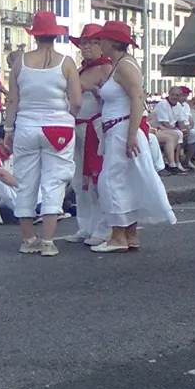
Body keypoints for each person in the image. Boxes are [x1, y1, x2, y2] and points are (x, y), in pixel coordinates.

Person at [92, 21, 176, 253]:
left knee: (112, 180)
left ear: (111, 42)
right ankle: (129, 234)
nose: (99, 43)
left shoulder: (124, 67)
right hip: (119, 129)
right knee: (127, 180)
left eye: (102, 39)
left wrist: (131, 135)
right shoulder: (121, 65)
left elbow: (137, 98)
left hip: (122, 130)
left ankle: (118, 236)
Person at [4, 11, 82, 255]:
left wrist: (8, 128)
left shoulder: (20, 63)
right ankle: (48, 241)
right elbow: (77, 101)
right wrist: (68, 116)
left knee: (26, 182)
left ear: (34, 35)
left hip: (26, 126)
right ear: (55, 35)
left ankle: (28, 239)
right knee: (54, 181)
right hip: (58, 127)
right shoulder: (66, 63)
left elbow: (12, 100)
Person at [68, 23, 113, 246]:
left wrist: (93, 89)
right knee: (79, 181)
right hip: (77, 127)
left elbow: (113, 99)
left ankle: (102, 228)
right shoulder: (80, 69)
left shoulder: (106, 68)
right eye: (83, 43)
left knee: (97, 179)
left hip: (94, 129)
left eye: (91, 43)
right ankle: (85, 226)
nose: (85, 47)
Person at [152, 87, 189, 174]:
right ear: (169, 94)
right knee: (177, 134)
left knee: (182, 133)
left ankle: (175, 162)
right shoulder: (163, 104)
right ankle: (174, 162)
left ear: (180, 96)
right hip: (158, 128)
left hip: (168, 129)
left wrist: (184, 129)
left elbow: (181, 121)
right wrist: (180, 130)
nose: (174, 97)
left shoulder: (178, 105)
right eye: (172, 95)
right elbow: (165, 123)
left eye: (177, 95)